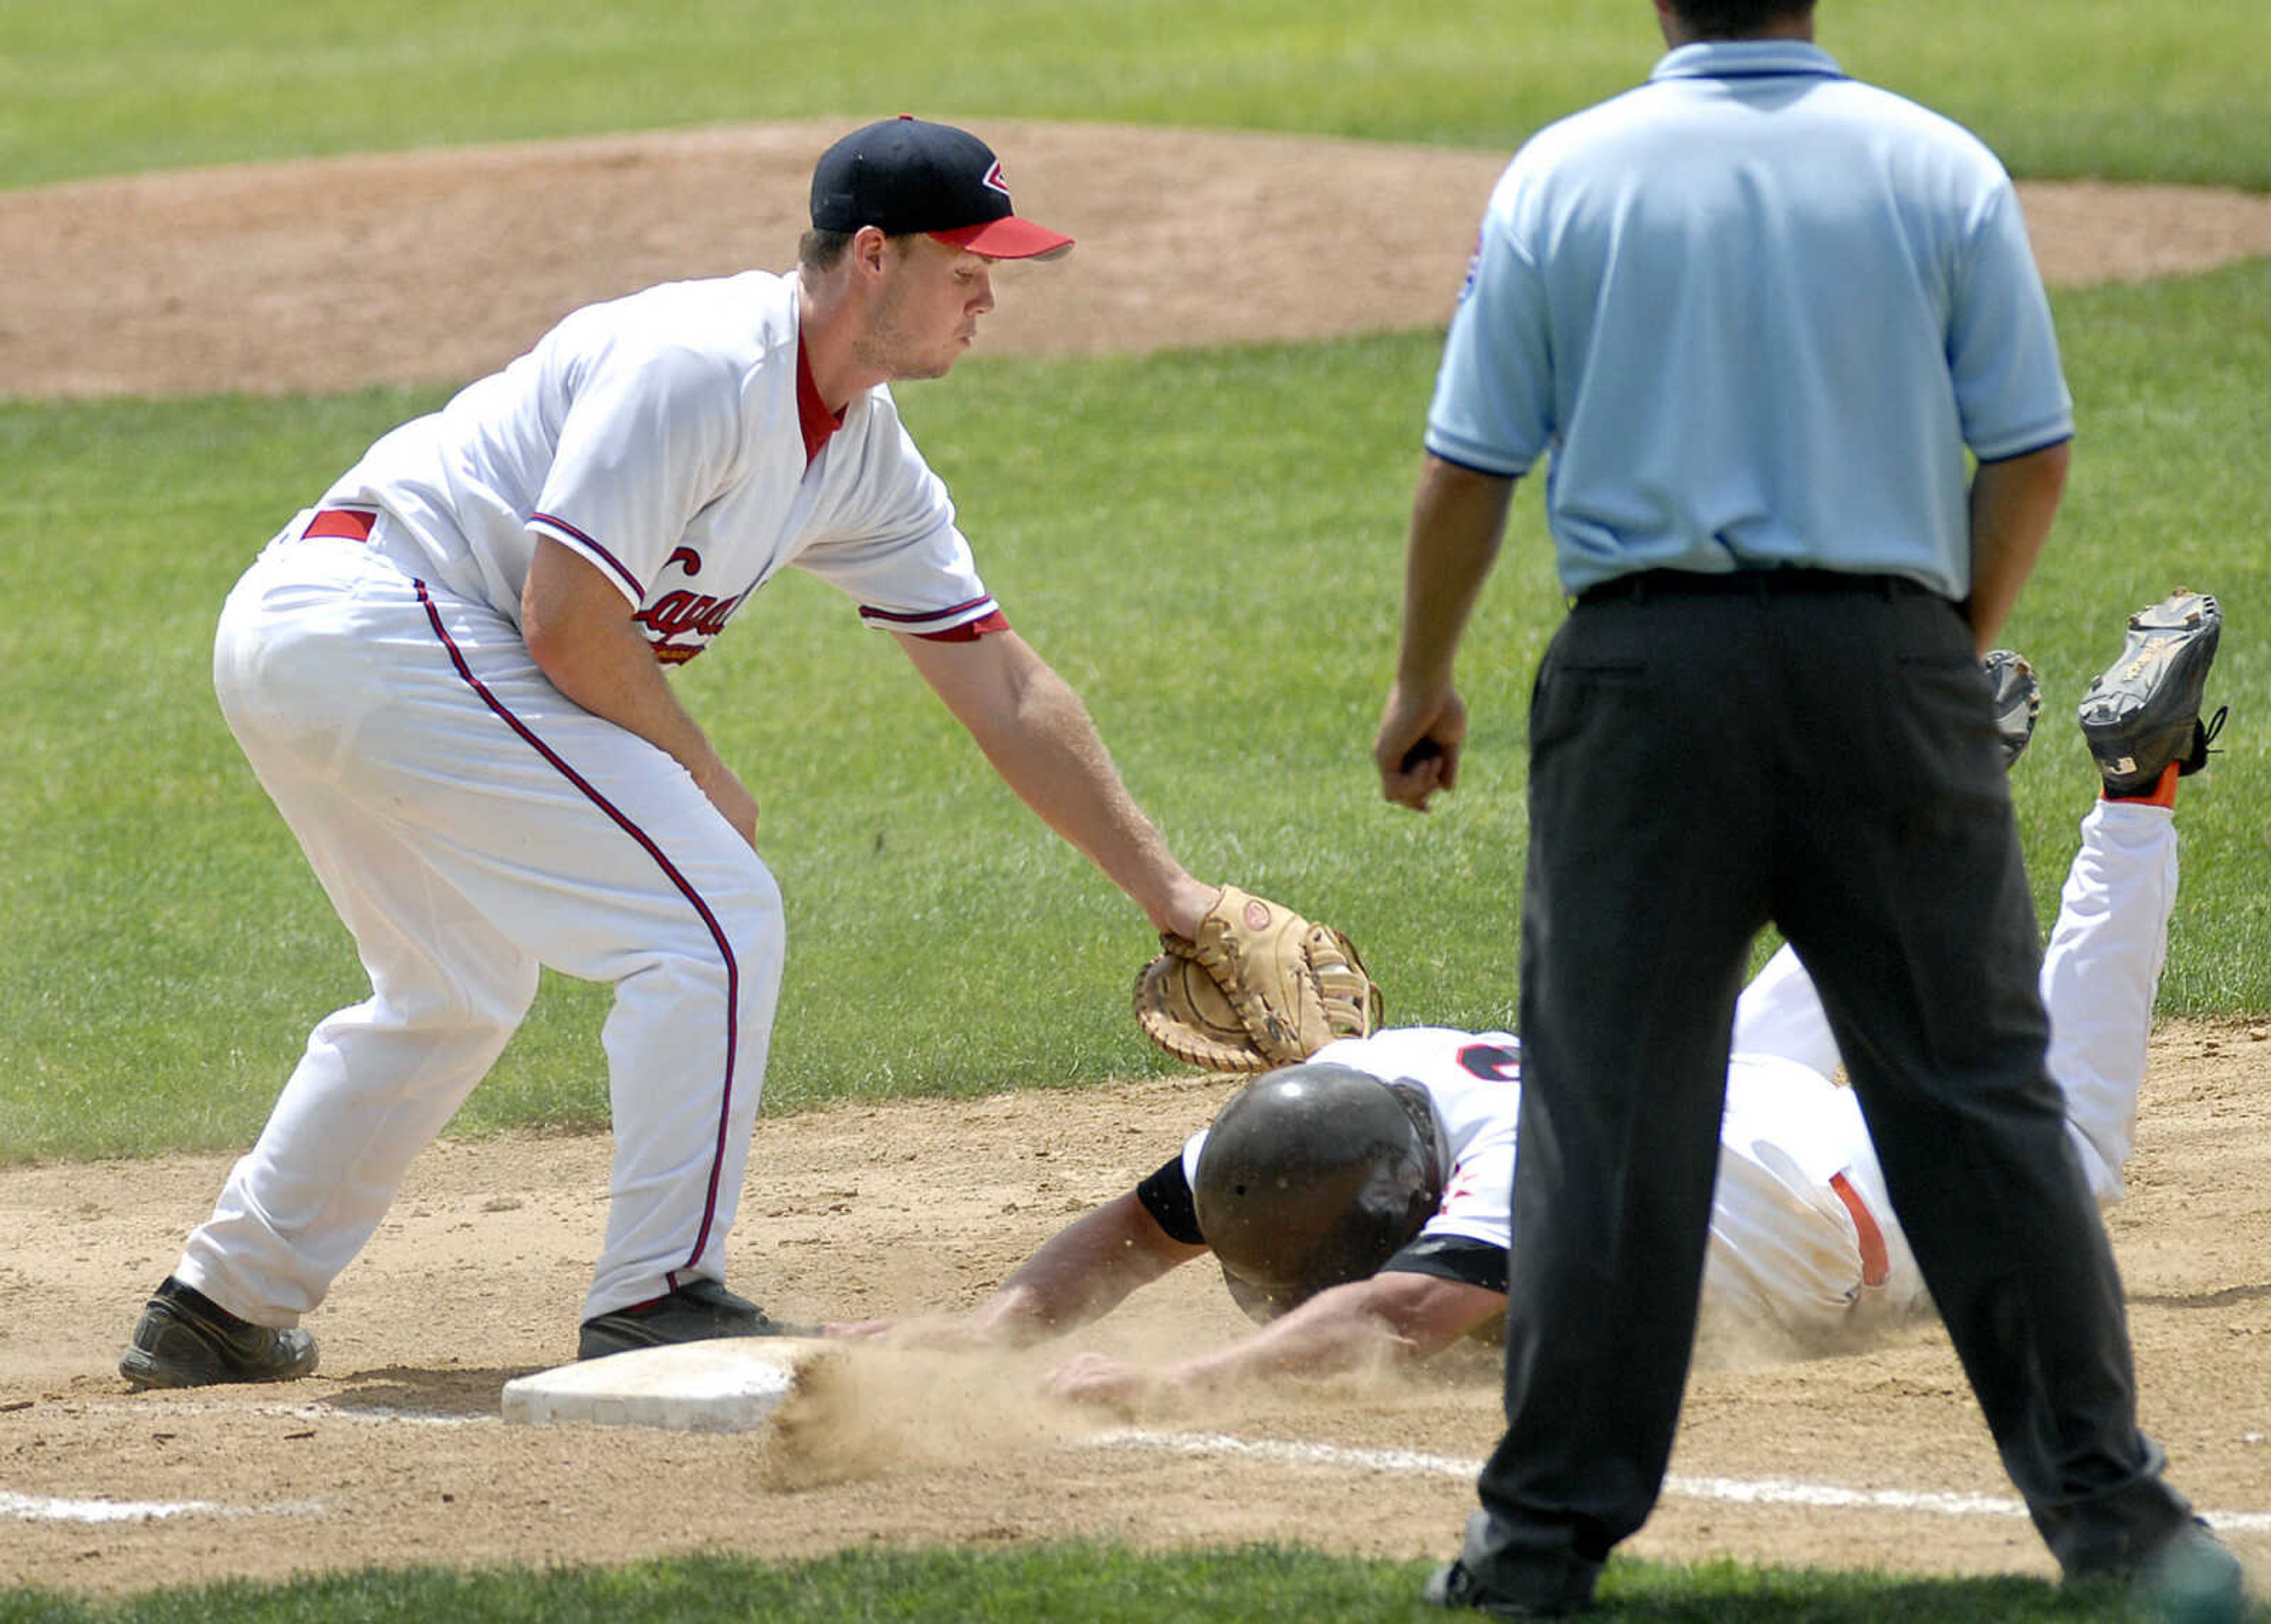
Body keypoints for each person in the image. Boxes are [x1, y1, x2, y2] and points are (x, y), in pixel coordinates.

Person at [1364, 1, 2242, 1615]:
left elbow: (1466, 469)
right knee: (1977, 1104)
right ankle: (2122, 1525)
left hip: (1641, 684)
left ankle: (1538, 1548)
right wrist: (1929, 655)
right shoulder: (1938, 163)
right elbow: (2030, 455)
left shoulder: (1565, 175)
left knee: (1610, 1113)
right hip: (1889, 659)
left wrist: (1423, 684)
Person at [119, 118, 1232, 1388]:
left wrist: (1174, 896)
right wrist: (702, 767)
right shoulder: (704, 362)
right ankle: (658, 1295)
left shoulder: (859, 450)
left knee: (454, 985)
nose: (990, 295)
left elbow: (1000, 680)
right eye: (968, 265)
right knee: (708, 913)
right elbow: (566, 618)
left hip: (342, 641)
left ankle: (222, 1301)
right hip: (377, 616)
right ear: (874, 256)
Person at [829, 656, 2209, 1413]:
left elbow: (1404, 1308)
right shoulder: (1345, 1092)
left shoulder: (1503, 1192)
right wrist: (992, 1328)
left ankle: (2131, 795)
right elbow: (1141, 1224)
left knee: (2064, 1162)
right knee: (1768, 1033)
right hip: (1693, 1090)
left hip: (1811, 1184)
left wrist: (1168, 1383)